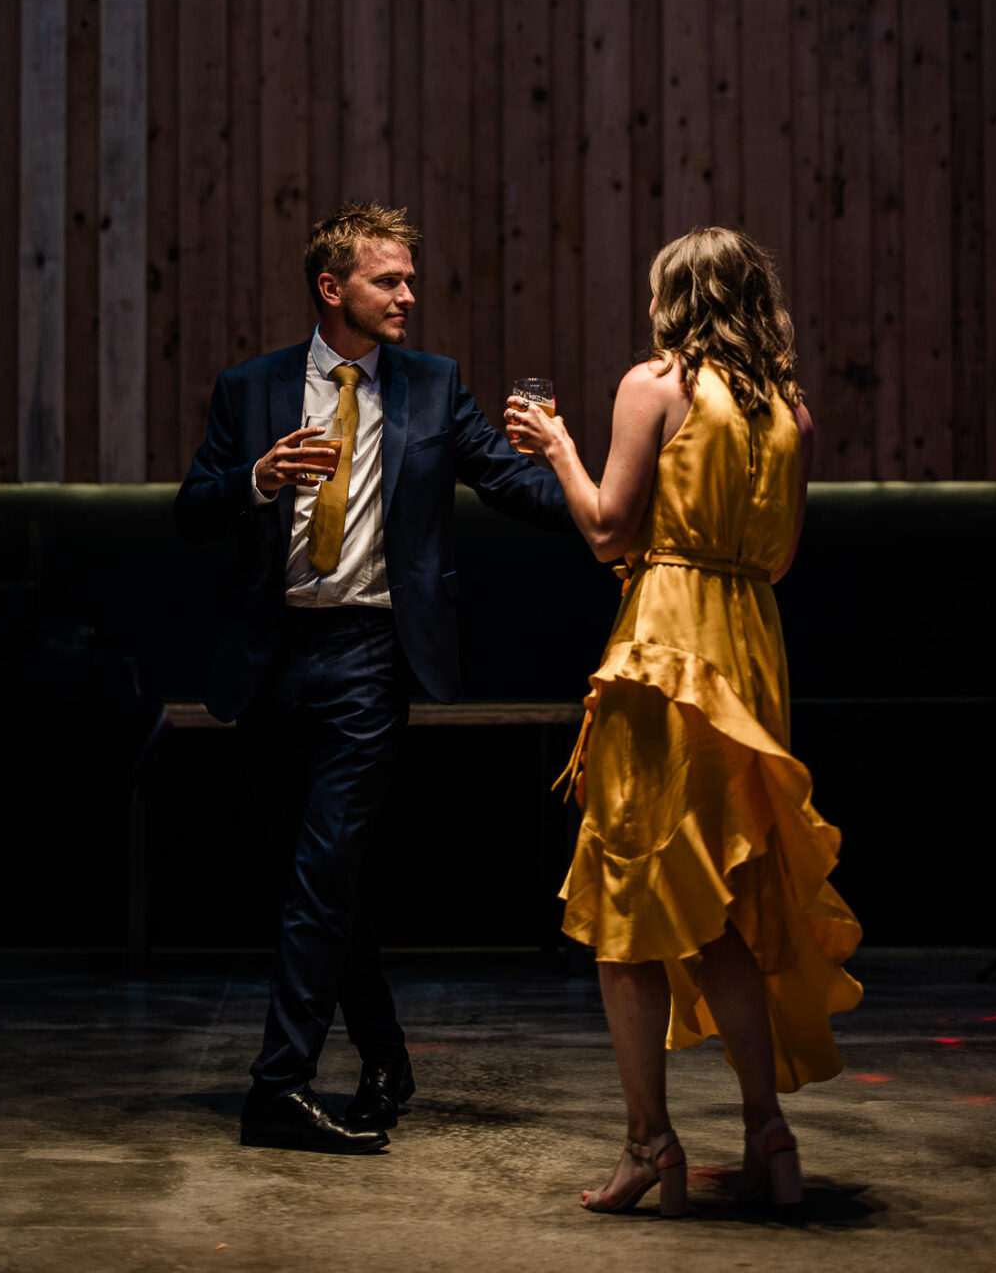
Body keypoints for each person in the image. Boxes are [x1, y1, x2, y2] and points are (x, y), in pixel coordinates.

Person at [175, 200, 570, 1154]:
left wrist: (613, 502)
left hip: (369, 659)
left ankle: (277, 1089)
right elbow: (193, 509)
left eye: (406, 278)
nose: (406, 295)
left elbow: (508, 481)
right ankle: (386, 1056)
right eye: (386, 280)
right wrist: (257, 481)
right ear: (332, 288)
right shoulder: (252, 387)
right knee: (320, 882)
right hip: (272, 661)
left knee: (320, 873)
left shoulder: (433, 387)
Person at [506, 225, 861, 1217]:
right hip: (749, 646)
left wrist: (557, 446)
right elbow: (782, 559)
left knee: (630, 900)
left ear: (673, 297)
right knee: (722, 902)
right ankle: (767, 1132)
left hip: (665, 650)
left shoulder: (651, 386)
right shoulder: (787, 408)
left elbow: (609, 526)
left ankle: (648, 1143)